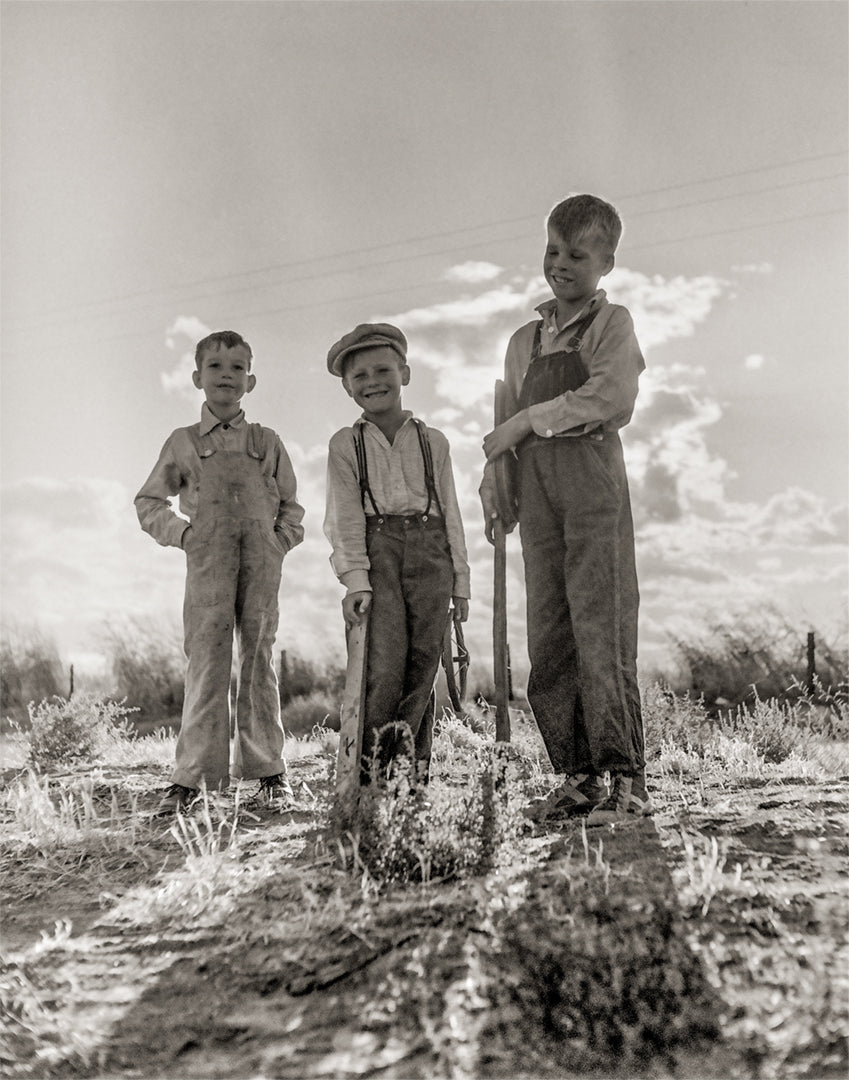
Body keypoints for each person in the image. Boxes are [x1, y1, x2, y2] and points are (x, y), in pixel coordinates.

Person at [480, 194, 650, 824]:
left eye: (577, 254)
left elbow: (609, 394)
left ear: (605, 261)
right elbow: (503, 428)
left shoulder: (613, 325)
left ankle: (627, 777)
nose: (560, 263)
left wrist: (529, 420)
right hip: (536, 485)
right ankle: (577, 777)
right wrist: (497, 482)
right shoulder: (522, 340)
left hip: (591, 473)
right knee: (549, 629)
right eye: (552, 249)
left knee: (600, 621)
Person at [135, 330, 305, 813]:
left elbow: (293, 508)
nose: (226, 375)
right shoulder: (183, 442)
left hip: (260, 562)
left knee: (258, 660)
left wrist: (278, 543)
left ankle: (269, 771)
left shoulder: (267, 442)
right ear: (196, 378)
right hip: (207, 563)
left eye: (236, 367)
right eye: (215, 366)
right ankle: (192, 779)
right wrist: (184, 536)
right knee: (207, 663)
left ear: (250, 381)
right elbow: (149, 502)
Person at [324, 323, 471, 784]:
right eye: (360, 376)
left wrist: (461, 583)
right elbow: (344, 517)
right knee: (384, 668)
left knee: (425, 667)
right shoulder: (346, 445)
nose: (373, 381)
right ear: (348, 389)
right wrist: (356, 580)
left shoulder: (434, 441)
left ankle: (410, 772)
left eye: (383, 369)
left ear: (404, 373)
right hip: (378, 554)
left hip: (432, 556)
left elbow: (451, 512)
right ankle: (368, 772)